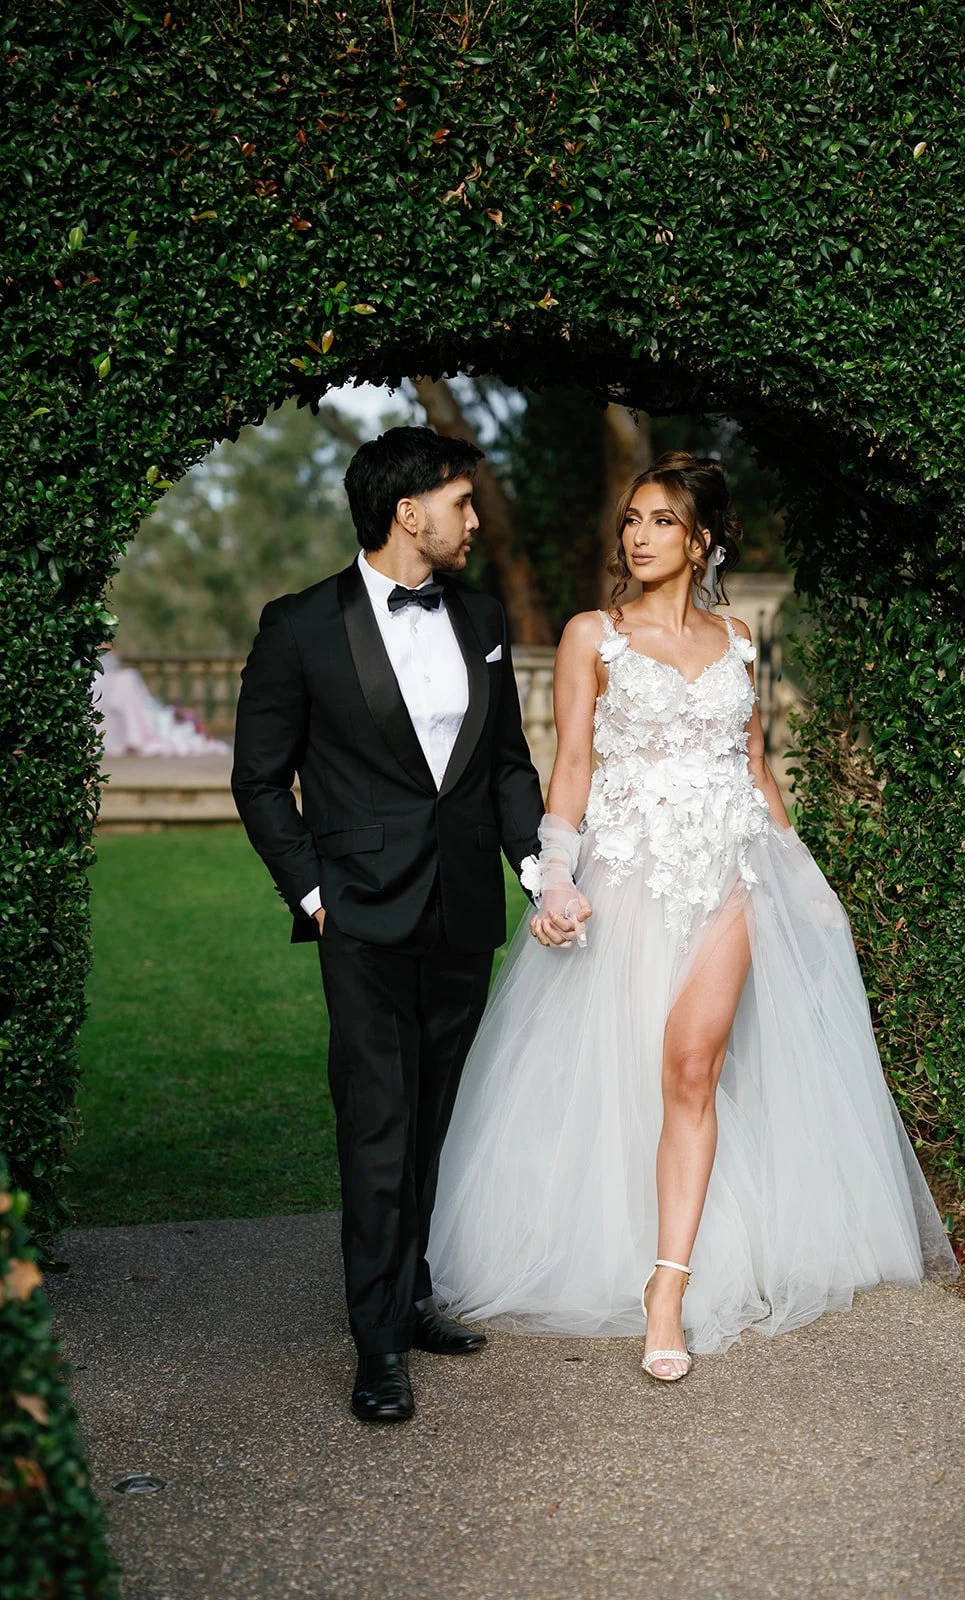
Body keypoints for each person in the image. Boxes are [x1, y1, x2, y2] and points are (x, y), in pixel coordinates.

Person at [429, 450, 957, 1381]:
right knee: (625, 1069)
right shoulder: (594, 635)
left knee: (691, 1066)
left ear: (701, 537)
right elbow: (572, 768)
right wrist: (554, 875)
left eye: (661, 521)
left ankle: (665, 1286)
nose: (637, 536)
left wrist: (803, 882)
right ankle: (614, 1243)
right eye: (631, 520)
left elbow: (755, 771)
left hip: (731, 879)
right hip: (628, 875)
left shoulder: (738, 642)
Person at [231, 426, 544, 1422]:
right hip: (358, 919)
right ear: (409, 511)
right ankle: (375, 1346)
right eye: (463, 500)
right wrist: (314, 893)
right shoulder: (299, 626)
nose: (475, 519)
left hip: (462, 910)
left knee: (438, 1124)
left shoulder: (484, 616)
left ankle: (411, 1299)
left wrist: (536, 865)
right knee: (377, 1126)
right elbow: (257, 779)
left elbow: (505, 767)